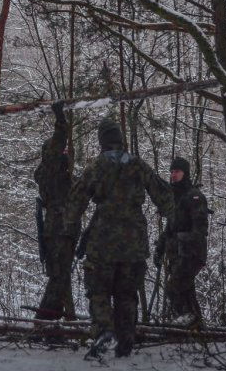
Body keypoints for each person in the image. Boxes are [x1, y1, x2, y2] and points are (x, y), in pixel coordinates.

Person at [66, 118, 173, 359]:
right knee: (127, 293)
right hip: (135, 241)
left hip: (103, 240)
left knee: (98, 289)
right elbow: (161, 192)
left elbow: (76, 200)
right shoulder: (138, 165)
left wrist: (68, 226)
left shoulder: (96, 167)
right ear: (121, 139)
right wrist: (173, 217)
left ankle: (105, 331)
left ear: (102, 141)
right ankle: (125, 342)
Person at [154, 157, 210, 327]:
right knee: (186, 291)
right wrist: (160, 249)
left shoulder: (194, 196)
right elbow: (170, 229)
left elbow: (200, 229)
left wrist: (183, 240)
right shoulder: (175, 197)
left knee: (174, 287)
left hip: (191, 253)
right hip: (177, 254)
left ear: (185, 173)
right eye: (171, 172)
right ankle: (196, 328)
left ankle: (187, 322)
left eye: (177, 171)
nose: (173, 175)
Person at [33, 101, 74, 320]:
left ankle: (50, 322)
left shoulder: (60, 174)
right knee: (58, 277)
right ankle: (44, 320)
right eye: (62, 150)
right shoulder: (50, 169)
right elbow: (58, 142)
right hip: (57, 228)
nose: (65, 152)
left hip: (61, 228)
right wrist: (60, 118)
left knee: (61, 277)